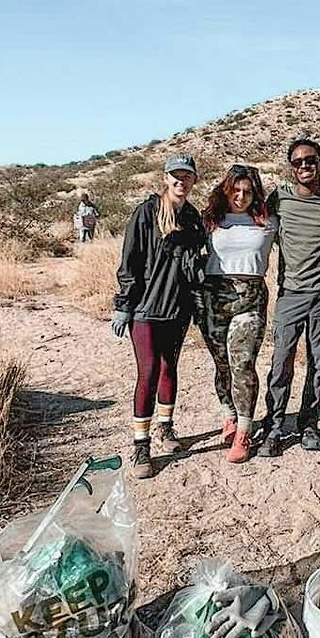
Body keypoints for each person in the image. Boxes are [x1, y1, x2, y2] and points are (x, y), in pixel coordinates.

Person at [112, 156, 207, 479]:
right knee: (148, 372)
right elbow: (130, 261)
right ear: (165, 178)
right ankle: (141, 444)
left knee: (170, 369)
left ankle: (166, 428)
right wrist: (123, 304)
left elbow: (197, 265)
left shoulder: (193, 217)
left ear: (194, 180)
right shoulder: (146, 212)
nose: (182, 181)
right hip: (146, 310)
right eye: (176, 175)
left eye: (187, 176)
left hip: (178, 310)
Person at [259, 137, 320, 457]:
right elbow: (244, 212)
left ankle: (308, 422)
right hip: (290, 295)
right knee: (281, 361)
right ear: (291, 168)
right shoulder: (279, 198)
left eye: (310, 160)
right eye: (297, 162)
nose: (304, 166)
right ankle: (273, 426)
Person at [196, 164, 278, 465]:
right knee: (222, 364)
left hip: (251, 298)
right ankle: (229, 413)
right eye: (236, 190)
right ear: (226, 190)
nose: (241, 197)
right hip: (213, 298)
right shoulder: (210, 221)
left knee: (242, 363)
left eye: (248, 191)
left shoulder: (268, 222)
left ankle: (244, 430)